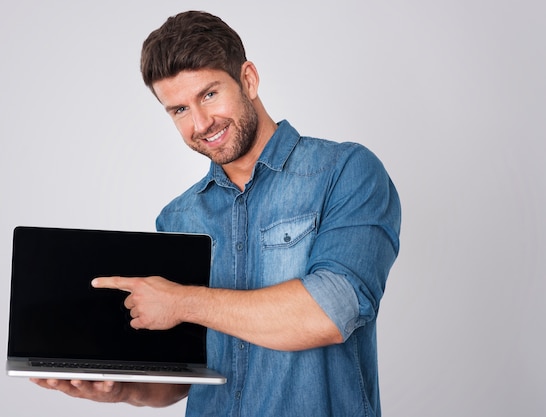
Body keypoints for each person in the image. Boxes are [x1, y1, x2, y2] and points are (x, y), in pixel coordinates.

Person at [32, 10, 401, 416]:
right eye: (179, 110)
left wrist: (183, 301)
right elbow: (182, 377)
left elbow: (332, 312)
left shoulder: (346, 171)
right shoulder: (178, 218)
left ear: (248, 79)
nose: (201, 123)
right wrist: (118, 389)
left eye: (209, 94)